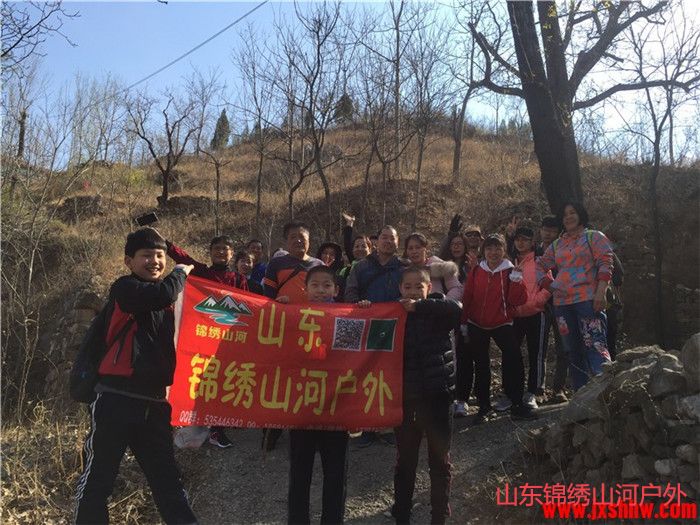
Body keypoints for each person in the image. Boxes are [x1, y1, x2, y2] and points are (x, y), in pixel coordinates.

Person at [74, 227, 197, 524]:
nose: (155, 261)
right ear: (129, 261)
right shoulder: (126, 289)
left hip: (154, 403)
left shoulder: (168, 300)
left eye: (160, 256)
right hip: (115, 400)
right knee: (98, 479)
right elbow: (162, 293)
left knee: (168, 480)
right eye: (147, 256)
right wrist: (180, 272)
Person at [385, 266, 461, 525]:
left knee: (439, 460)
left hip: (439, 396)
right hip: (406, 400)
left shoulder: (439, 309)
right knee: (405, 461)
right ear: (400, 288)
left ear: (429, 288)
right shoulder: (394, 313)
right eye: (408, 286)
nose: (413, 291)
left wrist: (420, 306)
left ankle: (438, 515)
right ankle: (402, 514)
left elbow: (457, 310)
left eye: (419, 286)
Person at [167, 234, 247, 448]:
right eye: (217, 248)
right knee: (206, 380)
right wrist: (165, 243)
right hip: (203, 337)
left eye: (225, 248)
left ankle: (219, 425)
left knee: (226, 380)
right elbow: (182, 257)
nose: (221, 252)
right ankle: (210, 426)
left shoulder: (239, 279)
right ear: (210, 252)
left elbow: (251, 305)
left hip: (229, 339)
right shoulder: (202, 272)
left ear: (231, 253)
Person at [287, 265, 350, 525]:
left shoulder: (348, 317)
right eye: (315, 285)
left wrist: (366, 310)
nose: (321, 290)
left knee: (335, 473)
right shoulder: (293, 316)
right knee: (299, 472)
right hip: (302, 407)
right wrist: (279, 310)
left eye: (327, 285)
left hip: (336, 408)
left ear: (336, 289)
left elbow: (356, 356)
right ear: (305, 289)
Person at [536, 202, 613, 390]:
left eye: (572, 213)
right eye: (564, 215)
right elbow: (539, 265)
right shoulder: (557, 244)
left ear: (581, 214)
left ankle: (604, 392)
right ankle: (581, 394)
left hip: (588, 300)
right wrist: (549, 285)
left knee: (595, 344)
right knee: (572, 350)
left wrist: (601, 292)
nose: (568, 217)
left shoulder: (593, 237)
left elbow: (606, 263)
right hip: (562, 305)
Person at [461, 233, 535, 422]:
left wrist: (517, 280)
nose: (493, 252)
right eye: (489, 248)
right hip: (476, 323)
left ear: (504, 250)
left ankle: (517, 403)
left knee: (514, 360)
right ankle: (484, 407)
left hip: (502, 323)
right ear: (484, 250)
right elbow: (468, 296)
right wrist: (463, 322)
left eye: (498, 248)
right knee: (481, 365)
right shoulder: (477, 270)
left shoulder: (510, 271)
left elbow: (518, 300)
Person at [262, 221, 323, 450]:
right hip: (284, 331)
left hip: (313, 331)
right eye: (293, 237)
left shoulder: (318, 264)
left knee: (309, 378)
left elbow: (327, 295)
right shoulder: (277, 264)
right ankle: (272, 429)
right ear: (286, 242)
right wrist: (278, 303)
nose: (298, 240)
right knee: (281, 379)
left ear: (309, 240)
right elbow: (267, 297)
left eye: (302, 236)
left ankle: (306, 426)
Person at [344, 225, 407, 447]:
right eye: (384, 237)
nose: (388, 241)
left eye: (392, 238)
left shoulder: (404, 267)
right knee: (367, 376)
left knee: (392, 376)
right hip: (368, 328)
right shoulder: (362, 267)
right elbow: (350, 293)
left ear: (397, 242)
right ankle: (368, 426)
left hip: (396, 329)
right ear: (376, 241)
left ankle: (389, 425)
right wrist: (359, 305)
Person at [512, 226, 552, 410]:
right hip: (515, 315)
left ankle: (533, 392)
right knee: (512, 353)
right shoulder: (509, 261)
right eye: (518, 239)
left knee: (536, 354)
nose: (521, 242)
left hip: (536, 314)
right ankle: (513, 390)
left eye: (525, 239)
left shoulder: (539, 262)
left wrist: (536, 302)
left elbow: (549, 286)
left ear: (532, 242)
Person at [439, 232, 473, 417]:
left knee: (465, 357)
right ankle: (448, 396)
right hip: (447, 316)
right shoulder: (443, 266)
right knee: (448, 358)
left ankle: (462, 399)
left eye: (460, 243)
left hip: (468, 316)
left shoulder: (471, 265)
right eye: (453, 244)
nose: (457, 247)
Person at [538, 216, 568, 403]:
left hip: (562, 305)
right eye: (545, 229)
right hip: (540, 306)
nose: (548, 233)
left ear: (558, 233)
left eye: (553, 230)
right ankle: (538, 389)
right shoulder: (535, 250)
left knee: (563, 347)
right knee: (539, 349)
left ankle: (559, 388)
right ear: (540, 230)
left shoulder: (564, 250)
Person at [403, 232, 463, 301]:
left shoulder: (440, 265)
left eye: (418, 247)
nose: (414, 251)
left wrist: (443, 302)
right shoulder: (405, 271)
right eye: (410, 248)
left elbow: (457, 288)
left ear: (426, 248)